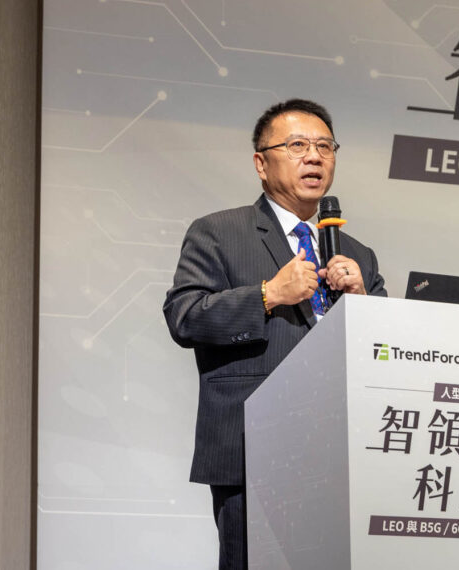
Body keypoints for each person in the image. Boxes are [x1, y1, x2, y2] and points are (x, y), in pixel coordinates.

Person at [163, 98, 387, 570]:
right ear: (261, 164)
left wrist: (364, 301)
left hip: (341, 450)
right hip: (253, 445)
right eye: (298, 145)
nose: (314, 157)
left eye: (325, 146)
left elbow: (386, 350)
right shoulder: (219, 232)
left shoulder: (357, 253)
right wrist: (268, 294)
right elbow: (185, 316)